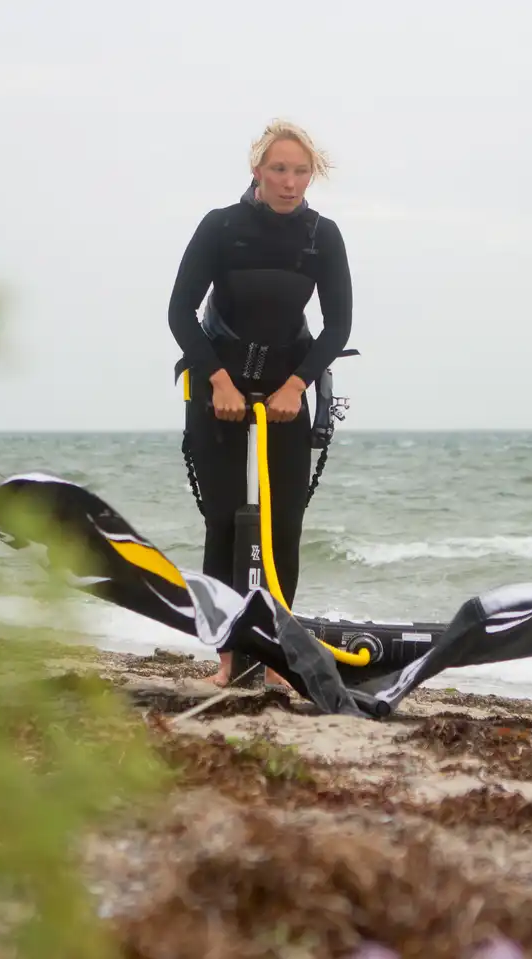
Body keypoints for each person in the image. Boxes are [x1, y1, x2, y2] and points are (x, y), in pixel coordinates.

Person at [167, 119, 353, 689]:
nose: (290, 181)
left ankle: (274, 655)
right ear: (257, 171)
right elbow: (180, 312)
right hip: (217, 379)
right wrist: (218, 380)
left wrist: (296, 385)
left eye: (301, 171)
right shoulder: (221, 227)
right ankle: (225, 655)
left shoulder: (323, 235)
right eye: (279, 169)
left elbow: (338, 325)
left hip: (287, 391)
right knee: (223, 520)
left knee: (282, 525)